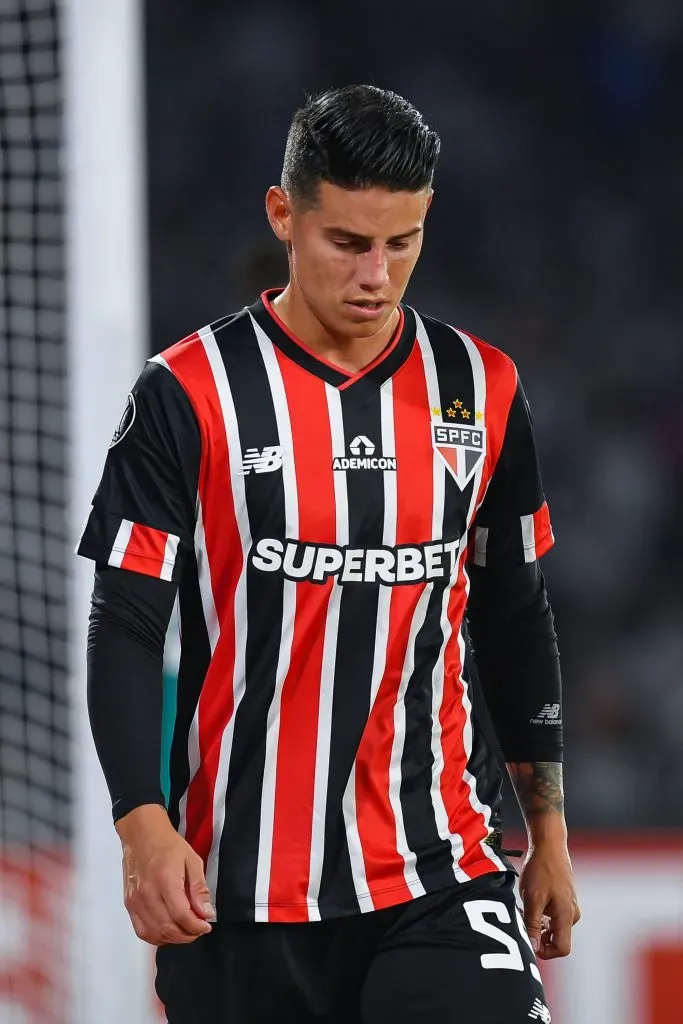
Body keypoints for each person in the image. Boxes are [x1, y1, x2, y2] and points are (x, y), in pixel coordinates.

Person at [78, 84, 580, 1024]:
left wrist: (545, 827)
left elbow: (513, 611)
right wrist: (141, 818)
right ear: (283, 215)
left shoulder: (481, 386)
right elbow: (127, 622)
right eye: (348, 242)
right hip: (238, 889)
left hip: (438, 865)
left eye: (402, 243)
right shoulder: (187, 393)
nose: (377, 276)